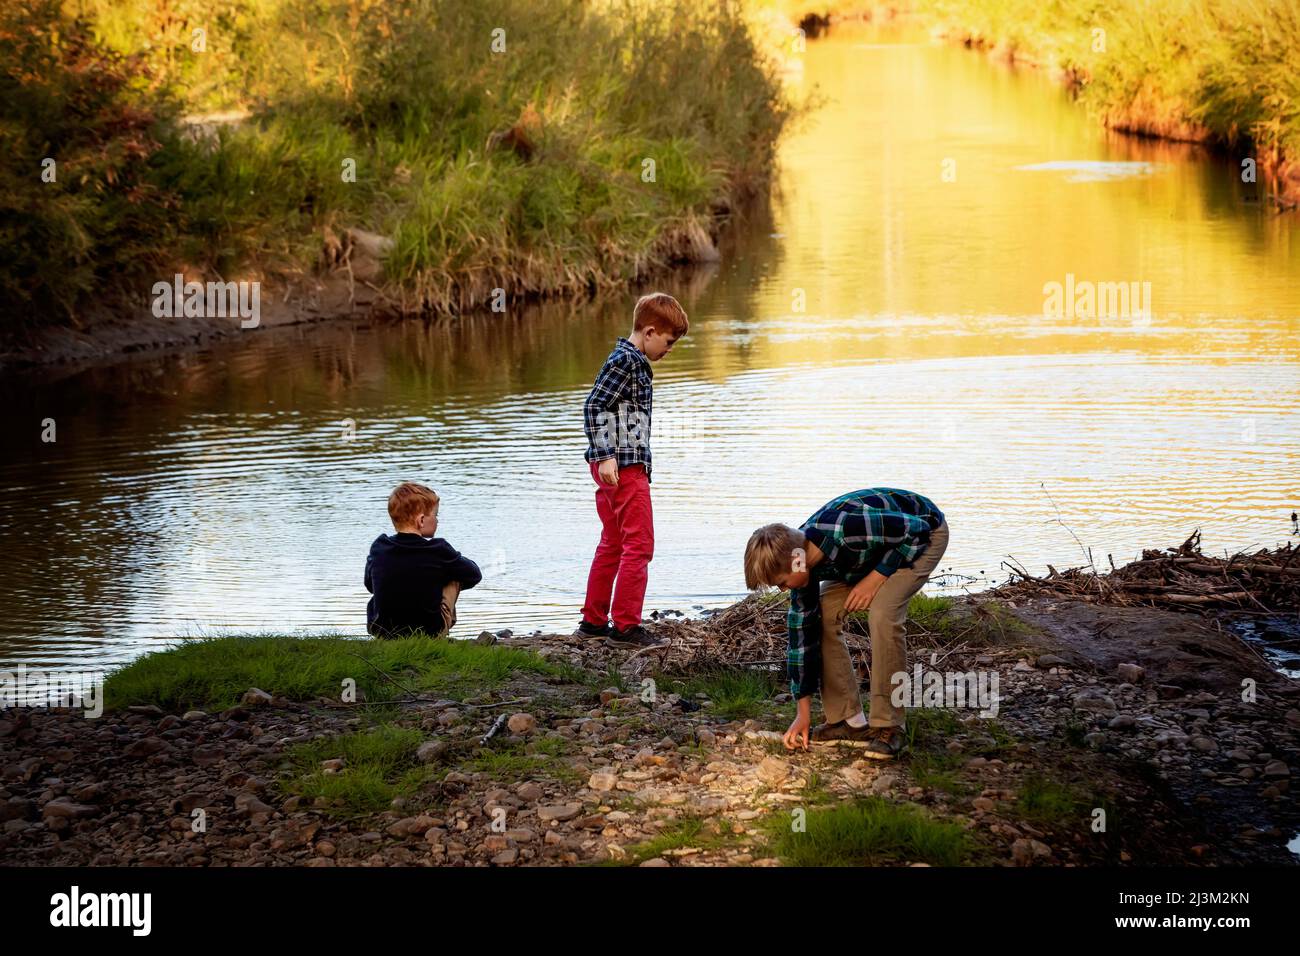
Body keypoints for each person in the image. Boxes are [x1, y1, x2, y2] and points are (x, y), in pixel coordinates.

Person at [744, 488, 949, 759]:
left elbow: (918, 530)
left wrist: (876, 577)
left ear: (796, 561)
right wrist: (802, 713)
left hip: (921, 536)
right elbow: (800, 641)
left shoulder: (845, 529)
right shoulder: (803, 566)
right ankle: (846, 722)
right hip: (870, 553)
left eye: (781, 583)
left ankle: (890, 727)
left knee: (883, 614)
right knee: (822, 616)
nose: (783, 590)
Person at [577, 292, 689, 648]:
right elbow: (594, 405)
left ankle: (593, 622)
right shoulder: (628, 361)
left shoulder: (629, 359)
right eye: (668, 342)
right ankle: (625, 626)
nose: (668, 349)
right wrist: (605, 454)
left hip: (615, 466)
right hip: (622, 468)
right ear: (650, 330)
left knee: (613, 543)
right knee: (639, 546)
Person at [365, 481, 481, 638]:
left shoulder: (379, 547)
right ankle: (437, 634)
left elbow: (370, 584)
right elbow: (474, 575)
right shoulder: (438, 550)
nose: (437, 520)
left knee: (388, 582)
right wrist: (436, 579)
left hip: (383, 631)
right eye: (435, 515)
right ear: (421, 520)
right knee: (455, 576)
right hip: (429, 632)